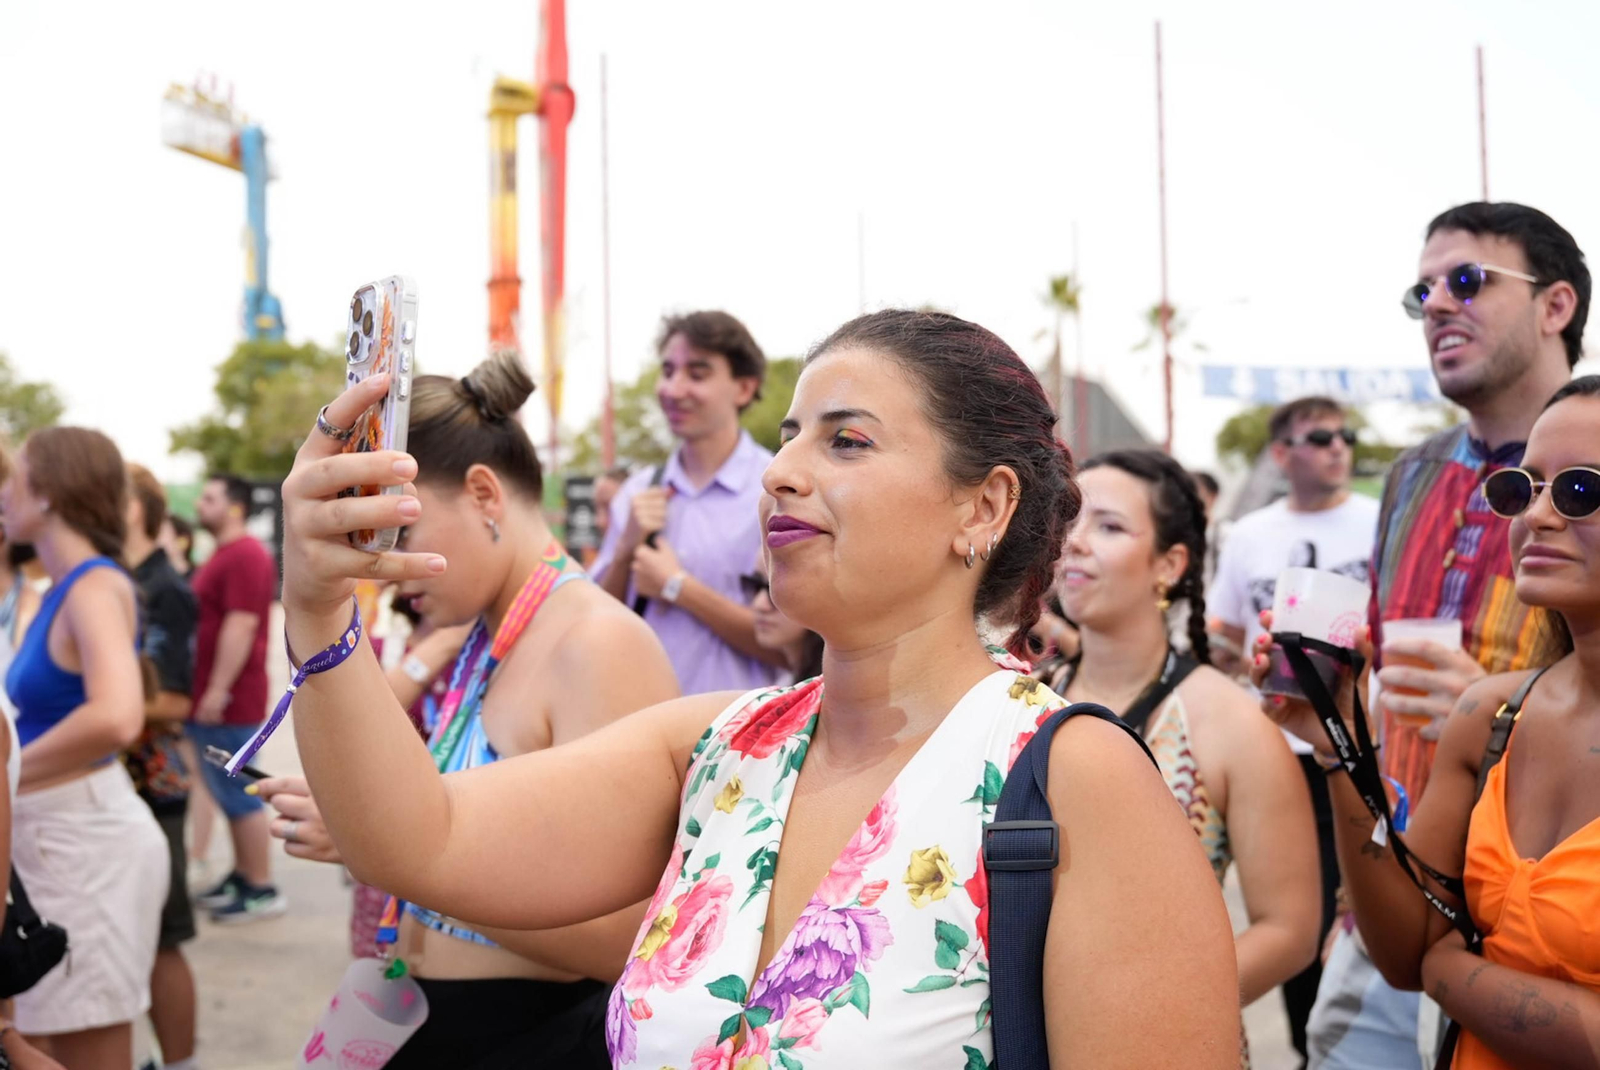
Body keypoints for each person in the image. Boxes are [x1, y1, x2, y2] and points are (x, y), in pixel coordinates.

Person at [279, 308, 1243, 1067]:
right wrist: (319, 607)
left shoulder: (1073, 780)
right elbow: (420, 837)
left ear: (983, 506)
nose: (779, 472)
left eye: (846, 441)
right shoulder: (715, 750)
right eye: (787, 438)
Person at [256, 352, 680, 1068]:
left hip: (530, 1035)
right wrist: (378, 826)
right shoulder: (483, 633)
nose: (385, 574)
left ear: (484, 494)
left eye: (400, 537)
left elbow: (632, 939)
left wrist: (397, 851)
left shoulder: (597, 643)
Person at [1286, 202, 1586, 1068]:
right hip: (1396, 887)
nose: (1439, 305)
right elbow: (1380, 667)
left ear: (1556, 305)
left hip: (1547, 914)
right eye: (1422, 292)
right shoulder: (1411, 473)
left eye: (1466, 280)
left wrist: (1490, 701)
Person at [1046, 449, 1320, 1036]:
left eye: (1108, 526)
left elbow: (1290, 930)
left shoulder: (1231, 722)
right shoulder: (1025, 701)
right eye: (1068, 519)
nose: (1075, 542)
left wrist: (1148, 1015)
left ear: (1169, 565)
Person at [1206, 396, 1380, 1062]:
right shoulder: (1251, 534)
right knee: (1292, 917)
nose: (1338, 447)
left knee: (1363, 907)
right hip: (1276, 747)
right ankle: (1312, 1048)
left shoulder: (1377, 520)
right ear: (1281, 454)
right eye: (1320, 437)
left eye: (1345, 435)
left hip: (1363, 743)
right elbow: (1224, 631)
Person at [2, 427, 167, 1070]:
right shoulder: (67, 586)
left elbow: (118, 716)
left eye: (14, 479)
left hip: (82, 847)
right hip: (60, 840)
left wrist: (9, 771)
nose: (4, 495)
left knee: (89, 1045)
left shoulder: (92, 585)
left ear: (48, 492)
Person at [591, 311, 785, 694]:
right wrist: (626, 550)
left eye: (697, 374)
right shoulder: (637, 492)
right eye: (668, 371)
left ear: (744, 388)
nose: (674, 389)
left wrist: (677, 586)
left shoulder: (776, 490)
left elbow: (793, 646)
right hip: (645, 716)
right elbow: (596, 626)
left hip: (742, 722)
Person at [121, 464, 202, 1070]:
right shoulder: (121, 579)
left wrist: (93, 700)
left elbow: (175, 701)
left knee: (163, 940)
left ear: (132, 508)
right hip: (126, 781)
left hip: (153, 783)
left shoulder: (163, 588)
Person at [187, 474, 282, 922]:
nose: (199, 504)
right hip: (218, 698)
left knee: (241, 792)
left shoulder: (245, 554)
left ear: (235, 507)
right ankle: (244, 876)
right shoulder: (226, 553)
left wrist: (218, 689)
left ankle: (261, 887)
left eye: (209, 498)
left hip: (231, 701)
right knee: (228, 791)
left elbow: (241, 624)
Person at [742, 569, 823, 685]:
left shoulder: (832, 687)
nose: (759, 604)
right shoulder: (788, 680)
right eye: (756, 585)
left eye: (781, 589)